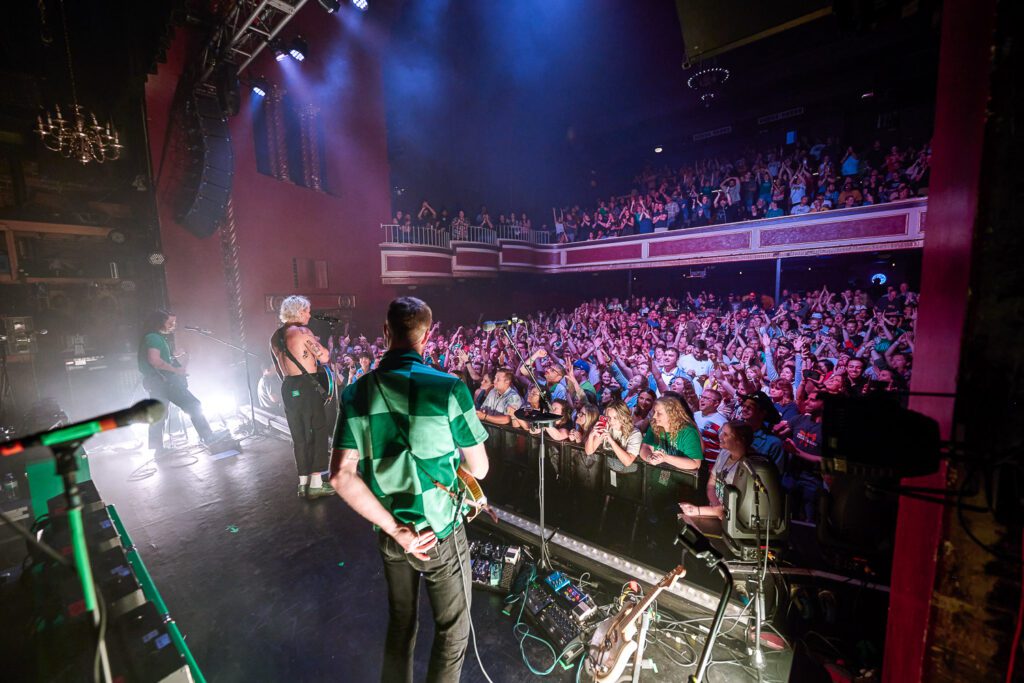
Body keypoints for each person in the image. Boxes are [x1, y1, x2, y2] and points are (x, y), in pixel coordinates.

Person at [329, 297, 489, 683]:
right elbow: (480, 468)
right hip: (441, 533)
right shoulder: (450, 389)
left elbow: (339, 476)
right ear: (428, 336)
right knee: (452, 630)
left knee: (401, 624)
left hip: (392, 536)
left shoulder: (356, 393)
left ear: (386, 332)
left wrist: (396, 529)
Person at [270, 295, 337, 499]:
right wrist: (317, 343)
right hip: (307, 385)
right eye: (307, 310)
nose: (309, 314)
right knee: (317, 431)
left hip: (288, 386)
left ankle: (302, 483)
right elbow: (325, 357)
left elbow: (276, 366)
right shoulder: (302, 332)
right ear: (298, 312)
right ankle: (316, 484)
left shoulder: (275, 336)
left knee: (298, 435)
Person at [137, 309, 216, 453]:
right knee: (193, 404)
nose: (173, 325)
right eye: (170, 322)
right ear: (159, 322)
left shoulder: (152, 337)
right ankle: (209, 437)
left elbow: (158, 359)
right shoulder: (154, 337)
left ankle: (158, 449)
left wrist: (173, 356)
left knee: (159, 414)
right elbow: (154, 360)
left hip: (155, 382)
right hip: (165, 381)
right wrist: (176, 370)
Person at [680, 420, 755, 519]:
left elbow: (735, 505)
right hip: (715, 512)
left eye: (726, 434)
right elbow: (711, 484)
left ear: (740, 440)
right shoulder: (724, 453)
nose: (720, 436)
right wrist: (715, 507)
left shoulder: (747, 466)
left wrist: (695, 510)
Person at [639, 396, 703, 471]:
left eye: (659, 413)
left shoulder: (688, 432)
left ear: (672, 414)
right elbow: (645, 448)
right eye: (654, 412)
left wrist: (665, 458)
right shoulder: (655, 425)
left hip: (679, 476)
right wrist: (650, 457)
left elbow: (695, 464)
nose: (654, 416)